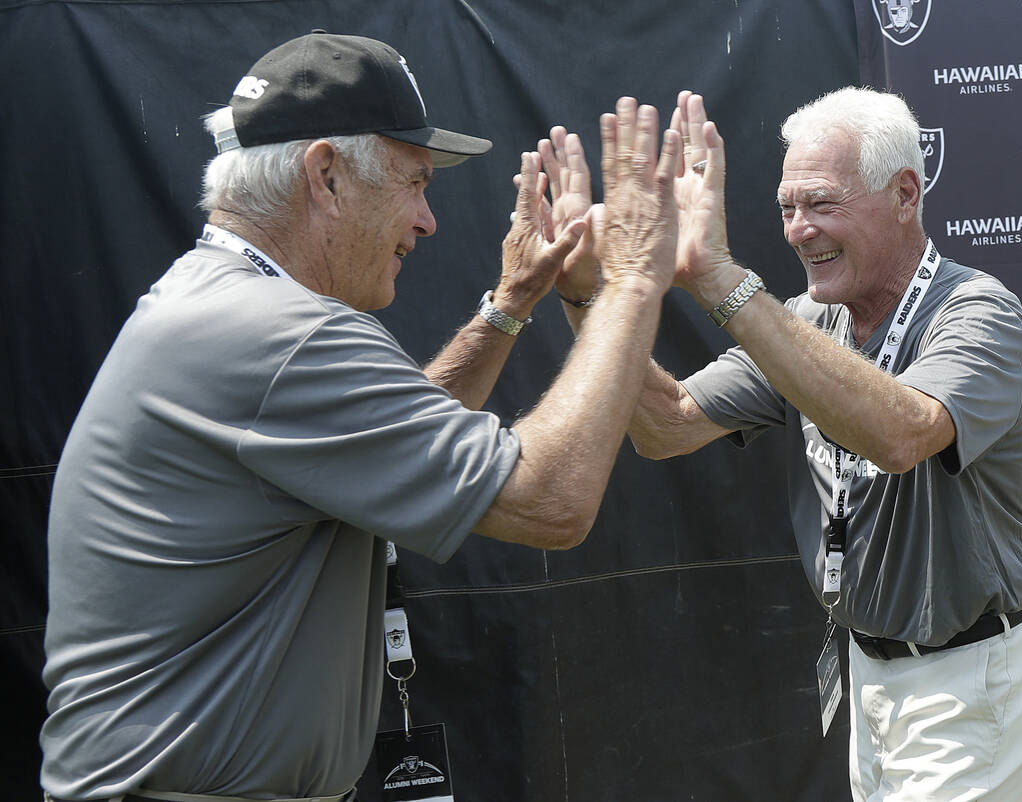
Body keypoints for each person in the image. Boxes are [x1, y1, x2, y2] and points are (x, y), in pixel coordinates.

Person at [39, 31, 683, 802]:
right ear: (327, 176)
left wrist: (509, 309)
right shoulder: (281, 333)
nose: (427, 220)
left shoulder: (224, 301)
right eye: (414, 182)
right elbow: (550, 501)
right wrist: (634, 283)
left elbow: (401, 445)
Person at [552, 86, 1022, 800]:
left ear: (906, 195)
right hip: (872, 673)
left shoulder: (977, 311)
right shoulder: (803, 322)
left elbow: (901, 433)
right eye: (787, 208)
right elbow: (662, 425)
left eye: (821, 203)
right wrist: (589, 297)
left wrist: (722, 281)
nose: (798, 230)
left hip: (973, 677)